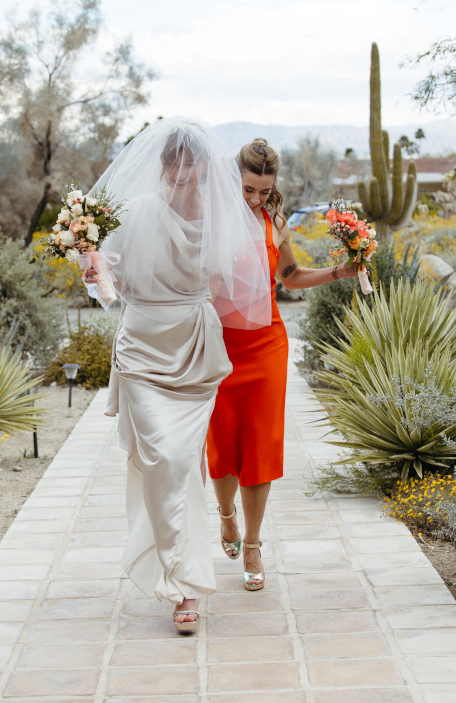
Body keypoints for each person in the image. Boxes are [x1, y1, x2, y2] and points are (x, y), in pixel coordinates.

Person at [85, 118, 272, 632]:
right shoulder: (134, 212)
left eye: (192, 162)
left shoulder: (221, 217)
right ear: (163, 163)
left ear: (205, 166)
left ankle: (185, 585)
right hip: (143, 348)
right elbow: (109, 289)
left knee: (183, 463)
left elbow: (225, 284)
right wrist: (94, 269)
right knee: (163, 458)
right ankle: (178, 582)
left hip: (192, 348)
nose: (182, 171)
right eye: (174, 162)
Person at [207, 138, 357, 590]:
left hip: (267, 345)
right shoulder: (211, 220)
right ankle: (227, 516)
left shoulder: (274, 219)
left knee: (261, 443)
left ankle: (252, 543)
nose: (255, 199)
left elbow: (288, 276)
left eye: (263, 190)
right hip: (220, 346)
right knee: (223, 440)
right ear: (235, 180)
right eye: (249, 189)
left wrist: (338, 272)